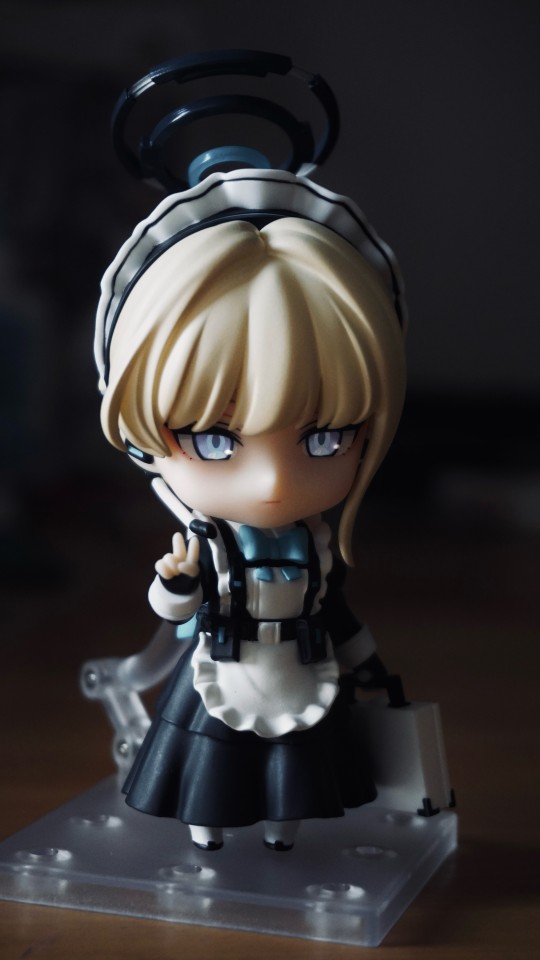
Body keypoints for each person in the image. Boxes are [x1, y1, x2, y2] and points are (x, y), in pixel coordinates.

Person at [95, 170, 407, 851]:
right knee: (212, 755)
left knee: (295, 762)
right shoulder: (208, 543)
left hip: (299, 663)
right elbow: (172, 612)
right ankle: (206, 827)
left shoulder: (314, 544)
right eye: (215, 439)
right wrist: (177, 583)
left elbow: (337, 611)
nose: (271, 482)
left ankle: (281, 831)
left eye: (325, 438)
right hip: (225, 660)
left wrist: (369, 664)